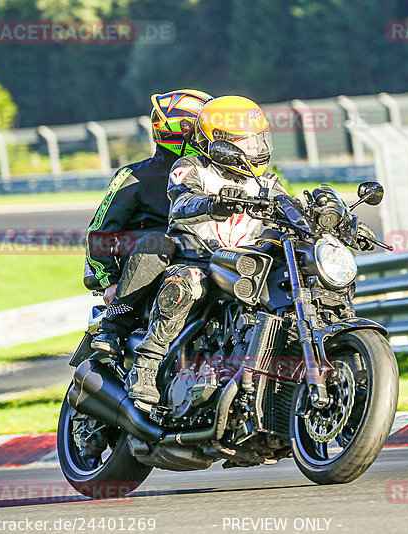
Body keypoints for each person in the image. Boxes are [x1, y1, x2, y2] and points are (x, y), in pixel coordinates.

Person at [125, 95, 288, 405]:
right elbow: (183, 199)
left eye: (256, 141)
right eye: (243, 142)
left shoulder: (267, 182)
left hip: (245, 265)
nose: (252, 149)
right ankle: (145, 365)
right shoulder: (191, 168)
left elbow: (291, 210)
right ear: (220, 144)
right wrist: (213, 203)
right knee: (185, 286)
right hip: (197, 260)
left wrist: (332, 218)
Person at [87, 89, 213, 356]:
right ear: (179, 132)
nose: (211, 136)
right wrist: (109, 281)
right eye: (203, 128)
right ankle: (114, 325)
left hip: (210, 255)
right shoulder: (133, 176)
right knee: (158, 241)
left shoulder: (216, 172)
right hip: (156, 262)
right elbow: (99, 231)